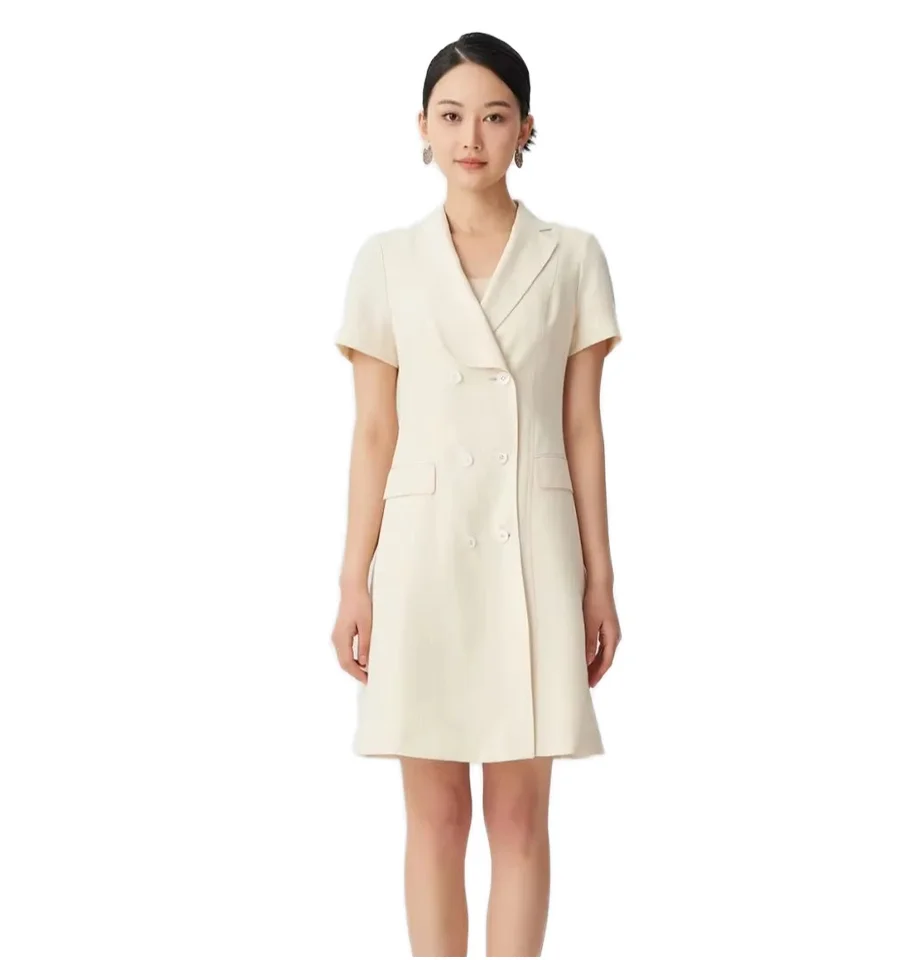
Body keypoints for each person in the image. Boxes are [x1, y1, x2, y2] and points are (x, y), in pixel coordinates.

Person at [330, 31, 623, 958]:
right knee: (436, 817)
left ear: (525, 129)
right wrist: (352, 581)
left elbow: (582, 428)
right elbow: (374, 432)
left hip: (531, 549)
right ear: (421, 127)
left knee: (520, 817)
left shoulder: (573, 256)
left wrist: (601, 581)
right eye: (451, 116)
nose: (471, 137)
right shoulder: (387, 260)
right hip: (421, 557)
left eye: (494, 117)